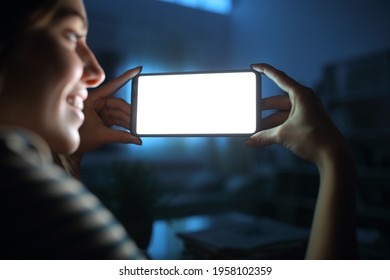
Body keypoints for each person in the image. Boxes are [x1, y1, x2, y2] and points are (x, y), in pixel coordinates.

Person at [0, 0, 357, 259]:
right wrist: (333, 158)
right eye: (71, 34)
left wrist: (70, 157)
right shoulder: (22, 182)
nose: (96, 72)